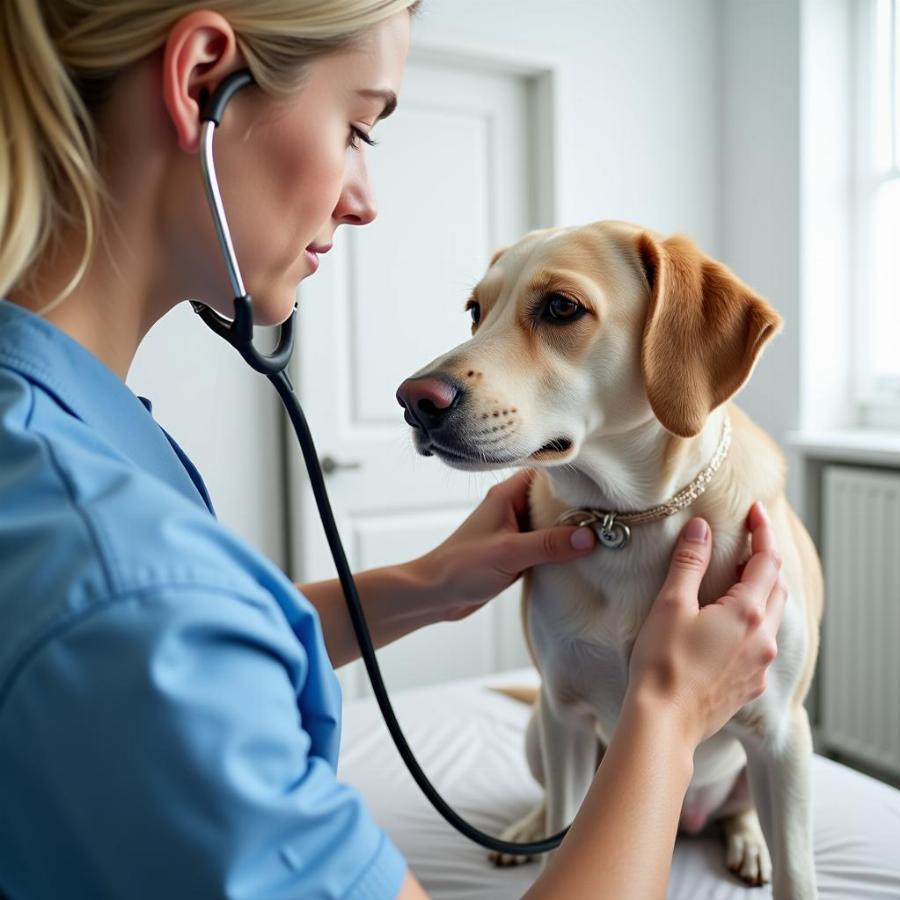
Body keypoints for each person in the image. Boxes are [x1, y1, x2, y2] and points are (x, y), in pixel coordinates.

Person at [0, 2, 786, 898]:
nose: (366, 199)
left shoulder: (77, 430)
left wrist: (428, 585)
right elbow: (145, 627)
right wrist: (665, 716)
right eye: (358, 126)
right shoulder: (109, 565)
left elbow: (189, 640)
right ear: (199, 81)